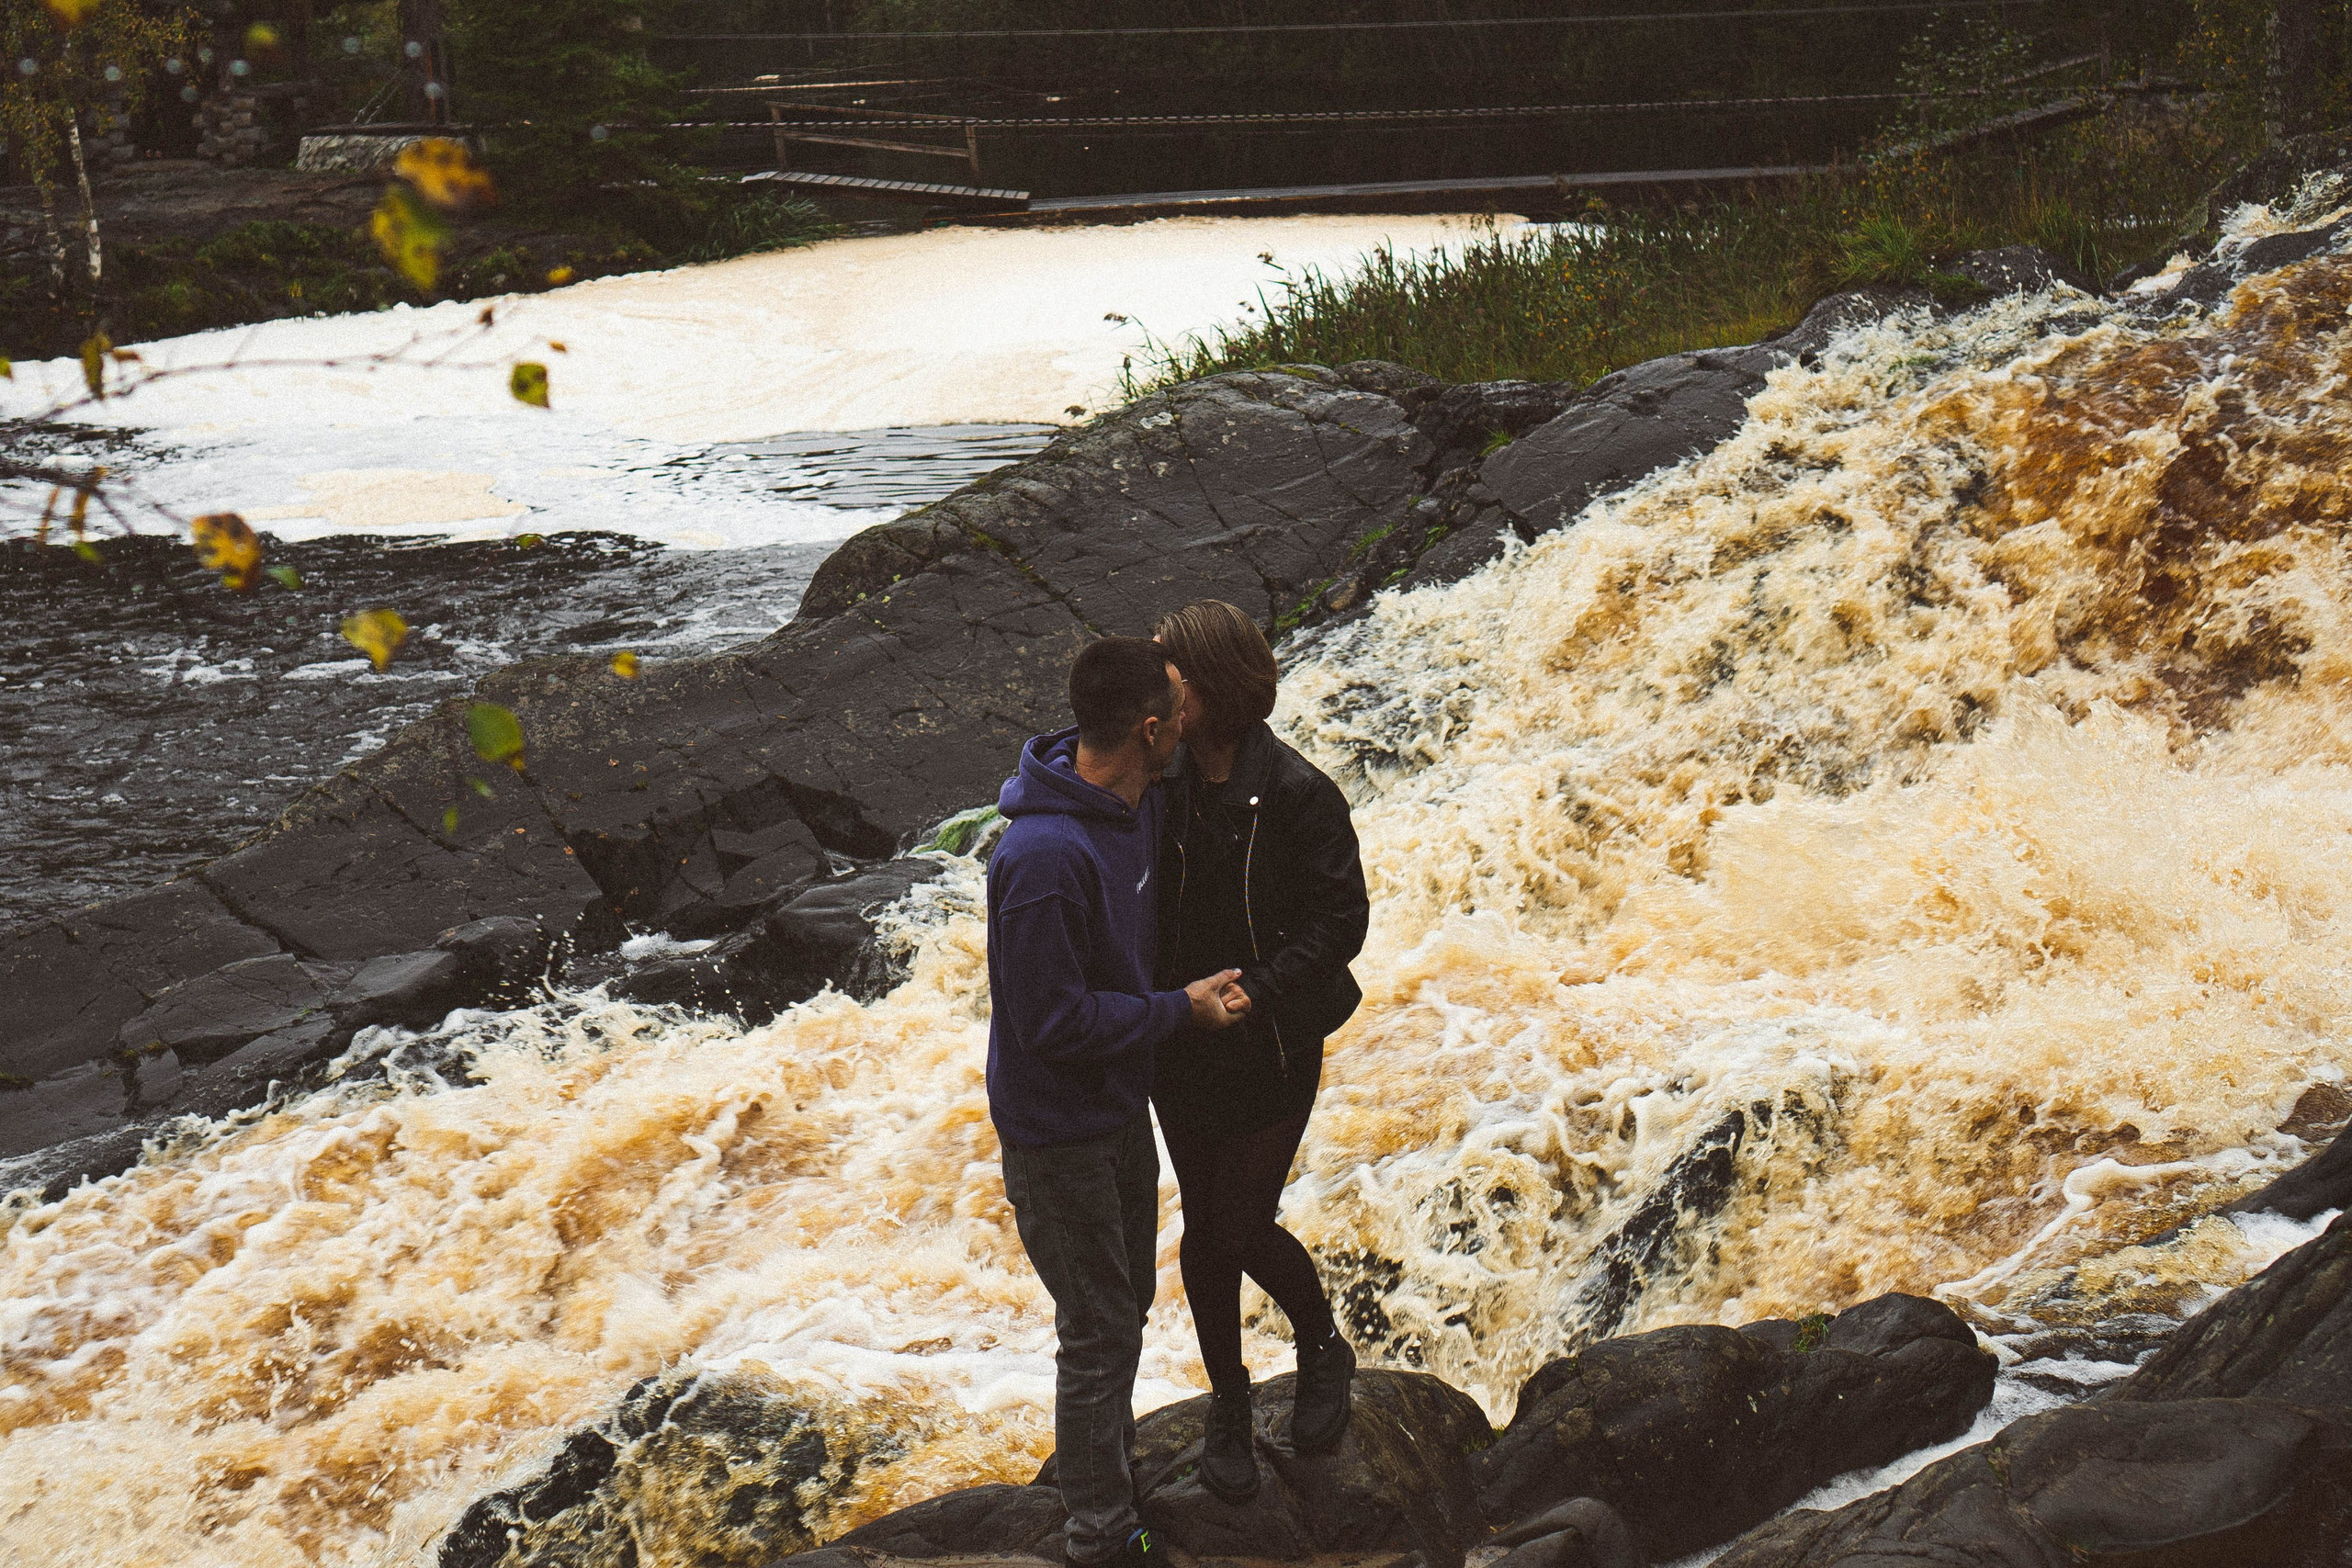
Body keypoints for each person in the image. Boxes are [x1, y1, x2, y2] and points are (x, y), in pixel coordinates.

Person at [987, 635, 1252, 1568]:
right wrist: (1175, 1011)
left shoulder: (1133, 799)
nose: (1190, 723)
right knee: (1097, 1330)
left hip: (1114, 1109)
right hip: (1058, 1132)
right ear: (1147, 731)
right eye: (1177, 712)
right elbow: (1047, 1022)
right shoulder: (1043, 858)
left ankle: (1097, 1482)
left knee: (1123, 1302)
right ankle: (1099, 1532)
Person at [1150, 600, 1371, 1502]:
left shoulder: (1296, 791)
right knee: (1204, 1234)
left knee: (1233, 1225)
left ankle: (1322, 1349)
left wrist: (1259, 990)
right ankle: (1229, 1399)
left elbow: (1342, 921)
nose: (1152, 686)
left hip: (1272, 1038)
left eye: (1167, 671)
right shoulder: (1157, 780)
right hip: (1180, 1035)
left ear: (1207, 687)